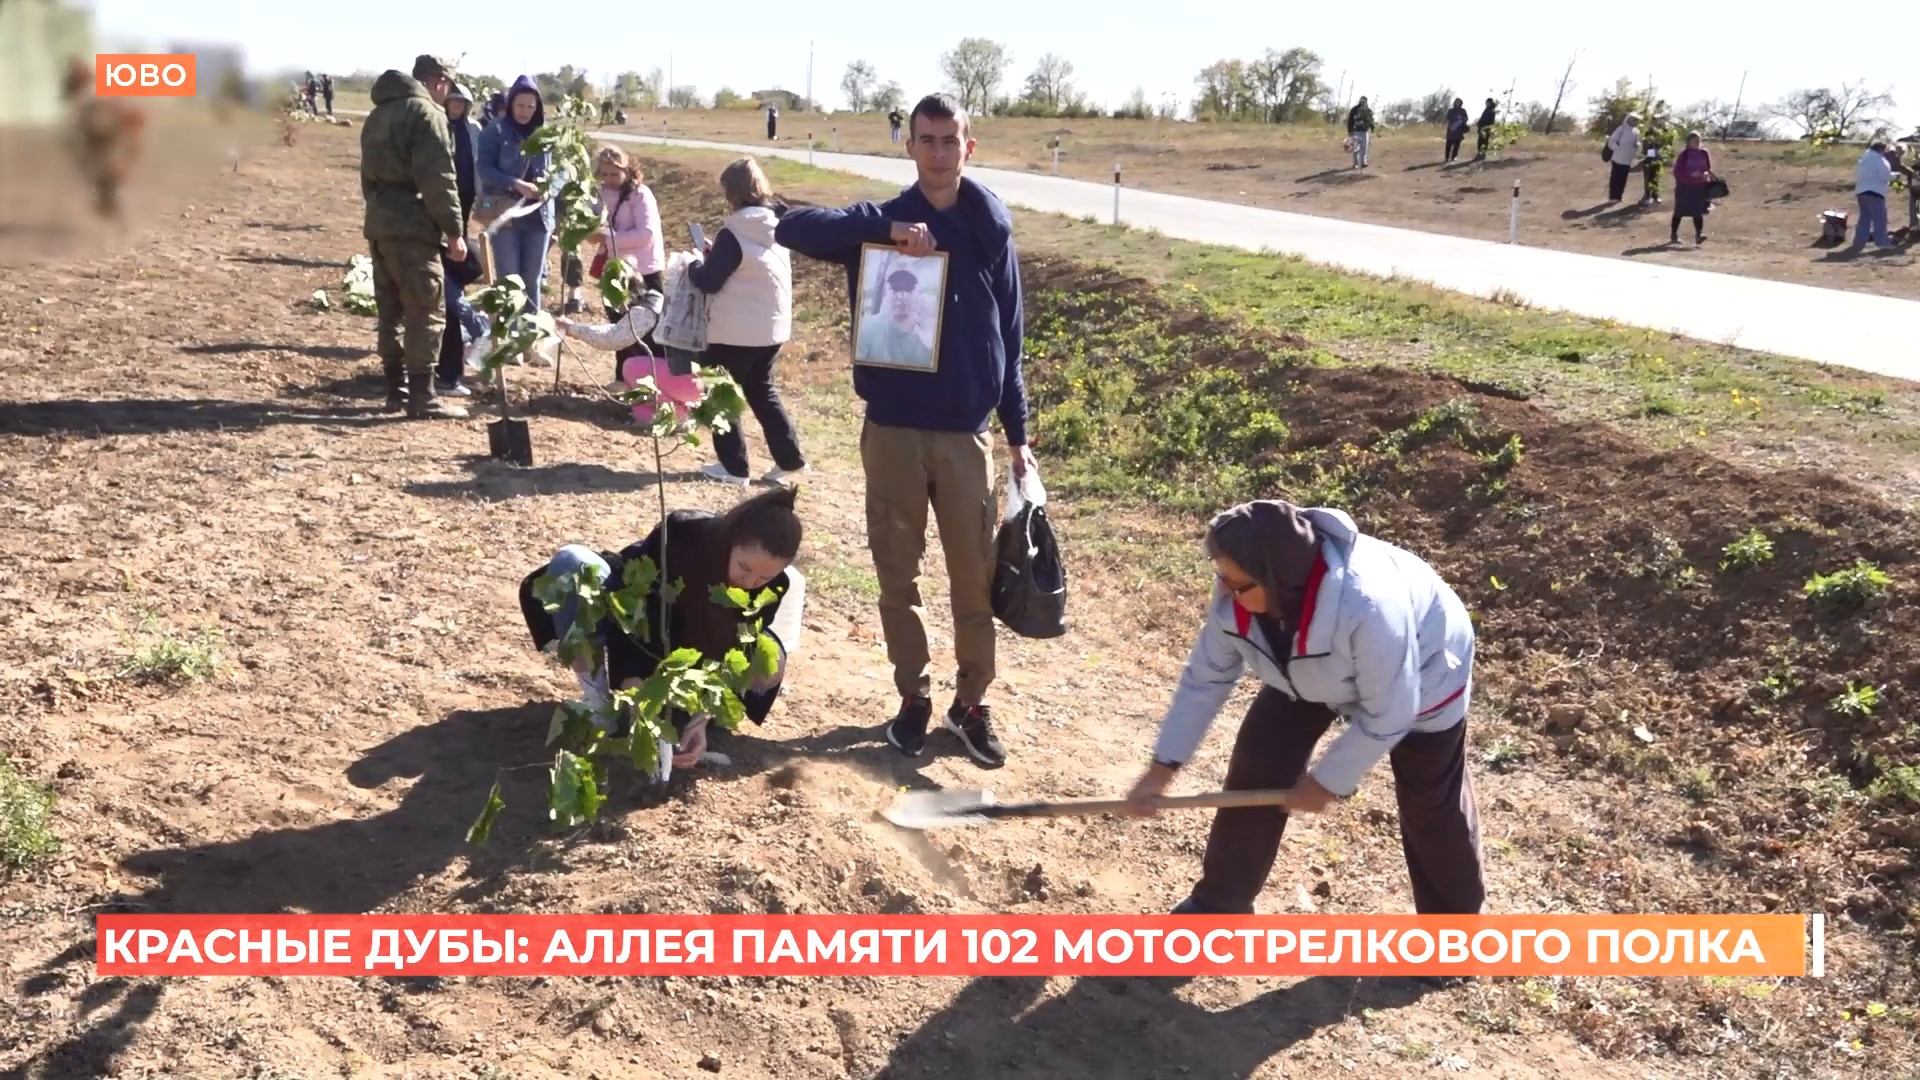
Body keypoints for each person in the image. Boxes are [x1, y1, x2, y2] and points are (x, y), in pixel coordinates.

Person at [777, 92, 1033, 769]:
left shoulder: (989, 232)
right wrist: (885, 237)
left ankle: (971, 703)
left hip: (964, 437)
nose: (939, 152)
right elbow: (792, 227)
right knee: (898, 577)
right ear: (909, 145)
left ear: (969, 146)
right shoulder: (884, 220)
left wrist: (1019, 435)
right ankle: (913, 696)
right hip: (891, 430)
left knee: (973, 578)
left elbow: (1011, 336)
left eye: (951, 140)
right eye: (926, 139)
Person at [1126, 500, 1482, 918]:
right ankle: (1220, 905)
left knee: (1429, 802)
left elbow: (1391, 711)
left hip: (1425, 668)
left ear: (1277, 579)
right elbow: (1205, 679)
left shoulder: (1368, 605)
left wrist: (1328, 780)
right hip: (1308, 669)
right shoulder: (1239, 590)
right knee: (1258, 764)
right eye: (1221, 576)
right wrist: (1161, 770)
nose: (1225, 591)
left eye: (1238, 586)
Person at [519, 486, 806, 783]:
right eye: (744, 568)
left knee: (770, 657)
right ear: (732, 539)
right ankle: (599, 703)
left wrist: (702, 718)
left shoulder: (771, 589)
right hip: (646, 636)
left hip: (697, 666)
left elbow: (736, 652)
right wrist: (636, 693)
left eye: (764, 577)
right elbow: (631, 615)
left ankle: (690, 717)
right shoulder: (684, 534)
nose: (750, 583)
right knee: (572, 564)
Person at [358, 54, 469, 420]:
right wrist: (454, 231)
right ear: (439, 82)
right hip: (413, 227)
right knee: (425, 309)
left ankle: (396, 389)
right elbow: (439, 180)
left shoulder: (378, 114)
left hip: (380, 222)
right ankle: (422, 396)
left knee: (391, 311)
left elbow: (366, 177)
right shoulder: (426, 115)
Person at [686, 157, 808, 486]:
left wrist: (693, 266)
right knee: (761, 391)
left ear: (732, 193)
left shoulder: (734, 231)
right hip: (772, 328)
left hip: (736, 331)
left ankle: (733, 467)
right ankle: (789, 458)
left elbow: (710, 281)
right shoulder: (777, 226)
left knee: (718, 392)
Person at [586, 145, 666, 383]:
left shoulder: (641, 195)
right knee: (619, 328)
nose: (609, 179)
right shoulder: (599, 195)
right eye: (605, 174)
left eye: (615, 173)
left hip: (643, 272)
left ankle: (651, 384)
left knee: (646, 332)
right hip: (615, 271)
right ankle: (623, 379)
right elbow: (591, 225)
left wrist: (607, 238)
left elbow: (647, 233)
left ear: (627, 170)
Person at [477, 76, 554, 315]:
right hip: (506, 213)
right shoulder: (495, 131)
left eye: (531, 106)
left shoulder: (545, 135)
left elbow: (560, 170)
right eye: (520, 105)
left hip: (538, 216)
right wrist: (516, 184)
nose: (525, 111)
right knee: (509, 280)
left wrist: (550, 186)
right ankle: (508, 336)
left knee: (532, 281)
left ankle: (531, 337)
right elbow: (484, 169)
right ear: (511, 104)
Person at [436, 82, 485, 398]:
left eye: (461, 103)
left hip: (466, 192)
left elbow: (477, 161)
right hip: (443, 194)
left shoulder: (473, 129)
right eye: (452, 102)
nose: (456, 107)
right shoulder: (438, 126)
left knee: (467, 258)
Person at [856, 266, 935, 367]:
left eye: (909, 290)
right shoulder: (866, 327)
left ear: (918, 295)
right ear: (884, 295)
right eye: (895, 289)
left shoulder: (930, 334)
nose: (901, 297)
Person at [1851, 142, 1898, 253]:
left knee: (1864, 218)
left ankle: (1859, 242)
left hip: (1861, 191)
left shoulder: (1864, 159)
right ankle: (1883, 243)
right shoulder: (1879, 160)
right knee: (1880, 219)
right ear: (1881, 149)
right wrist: (1896, 176)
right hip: (1875, 192)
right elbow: (1886, 176)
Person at [1670, 131, 1714, 245]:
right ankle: (1674, 235)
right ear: (1689, 142)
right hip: (1684, 187)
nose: (1697, 142)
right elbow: (1677, 173)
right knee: (1679, 212)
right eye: (1695, 140)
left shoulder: (1704, 153)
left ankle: (1699, 235)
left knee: (1698, 211)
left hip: (1699, 187)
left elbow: (1707, 168)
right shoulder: (1684, 155)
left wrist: (1705, 174)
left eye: (1699, 140)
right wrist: (1690, 175)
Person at [1605, 113, 1641, 203]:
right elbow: (1611, 142)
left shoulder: (1636, 131)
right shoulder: (1621, 129)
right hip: (1617, 158)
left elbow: (1638, 143)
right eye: (1634, 119)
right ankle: (1613, 197)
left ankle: (1619, 196)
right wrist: (1617, 148)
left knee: (1623, 179)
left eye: (1637, 120)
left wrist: (1637, 145)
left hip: (1627, 159)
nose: (1636, 121)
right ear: (1628, 119)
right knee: (1615, 178)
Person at [1345, 96, 1374, 169]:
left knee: (1364, 147)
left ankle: (1364, 162)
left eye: (1365, 101)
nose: (1363, 102)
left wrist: (1372, 127)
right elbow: (1350, 121)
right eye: (1362, 100)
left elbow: (1370, 120)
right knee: (1356, 147)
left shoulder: (1368, 110)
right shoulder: (1354, 110)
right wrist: (1350, 131)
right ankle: (1356, 163)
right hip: (1356, 131)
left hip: (1365, 131)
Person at [1639, 124, 1665, 206]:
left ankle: (1655, 196)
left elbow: (1662, 150)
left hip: (1657, 161)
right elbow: (1644, 152)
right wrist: (1648, 146)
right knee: (1648, 180)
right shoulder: (1646, 141)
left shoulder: (1659, 141)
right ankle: (1647, 196)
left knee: (1656, 179)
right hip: (1648, 162)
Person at [1443, 98, 1468, 164]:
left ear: (1461, 103)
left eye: (1459, 102)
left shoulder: (1463, 111)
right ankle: (1447, 157)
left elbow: (1466, 118)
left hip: (1459, 130)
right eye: (1456, 102)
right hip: (1451, 129)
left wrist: (1461, 119)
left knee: (1457, 145)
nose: (1457, 103)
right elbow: (1447, 118)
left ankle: (1454, 157)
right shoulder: (1451, 110)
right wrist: (1454, 119)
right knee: (1448, 144)